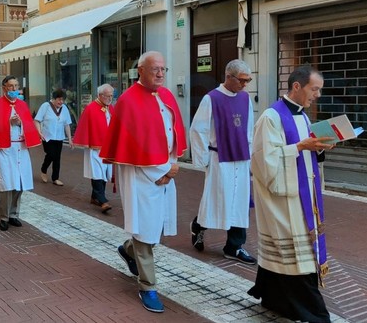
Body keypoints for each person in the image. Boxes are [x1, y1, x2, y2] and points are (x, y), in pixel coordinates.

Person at [100, 51, 187, 313]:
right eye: (155, 69)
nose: (160, 73)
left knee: (153, 227)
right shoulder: (127, 101)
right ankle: (148, 286)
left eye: (163, 69)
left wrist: (171, 166)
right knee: (145, 229)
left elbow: (172, 132)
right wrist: (161, 171)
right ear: (140, 70)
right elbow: (132, 145)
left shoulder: (167, 96)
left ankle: (128, 250)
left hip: (164, 170)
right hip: (140, 175)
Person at [247, 66, 334, 323]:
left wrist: (319, 147)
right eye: (314, 89)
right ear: (297, 86)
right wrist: (299, 146)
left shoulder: (304, 117)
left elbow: (305, 153)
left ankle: (275, 299)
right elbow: (264, 160)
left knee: (295, 257)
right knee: (298, 260)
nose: (317, 95)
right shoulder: (271, 118)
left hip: (304, 197)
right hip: (284, 199)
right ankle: (316, 315)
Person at [189, 59, 257, 265]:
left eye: (248, 80)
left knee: (239, 202)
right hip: (220, 158)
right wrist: (204, 159)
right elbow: (197, 129)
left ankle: (234, 246)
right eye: (242, 80)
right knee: (216, 199)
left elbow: (249, 129)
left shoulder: (245, 98)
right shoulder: (212, 98)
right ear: (229, 77)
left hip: (241, 158)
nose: (245, 85)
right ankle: (198, 226)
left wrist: (251, 156)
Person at [0, 76, 41, 231]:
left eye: (16, 86)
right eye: (11, 86)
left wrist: (21, 124)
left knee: (20, 182)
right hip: (4, 149)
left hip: (21, 148)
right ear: (4, 87)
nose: (14, 89)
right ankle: (4, 216)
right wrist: (8, 122)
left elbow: (28, 123)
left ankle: (14, 214)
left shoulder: (22, 104)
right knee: (6, 183)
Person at [73, 84, 114, 214]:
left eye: (112, 96)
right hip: (95, 147)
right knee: (97, 173)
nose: (110, 98)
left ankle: (94, 197)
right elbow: (85, 126)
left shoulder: (110, 108)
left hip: (107, 148)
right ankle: (102, 200)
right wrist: (85, 142)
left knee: (105, 173)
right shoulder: (91, 108)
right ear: (100, 95)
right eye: (108, 96)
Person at [34, 89, 73, 186]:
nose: (61, 102)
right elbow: (37, 120)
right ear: (54, 99)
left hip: (59, 137)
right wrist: (39, 132)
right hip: (47, 136)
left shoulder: (64, 108)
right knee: (51, 154)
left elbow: (67, 124)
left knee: (57, 158)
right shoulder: (46, 106)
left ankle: (55, 178)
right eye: (59, 100)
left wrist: (70, 139)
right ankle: (44, 169)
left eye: (62, 100)